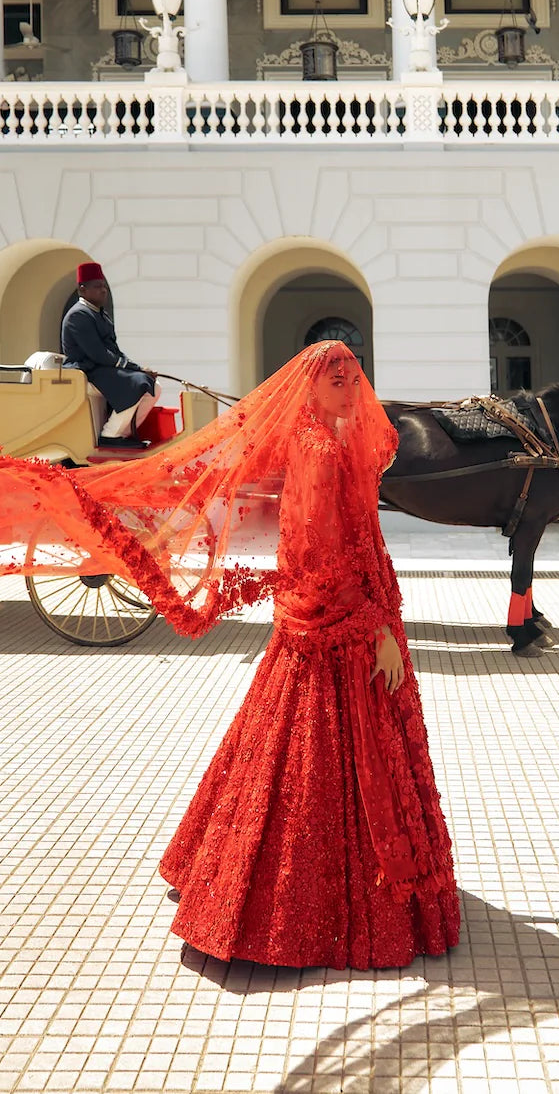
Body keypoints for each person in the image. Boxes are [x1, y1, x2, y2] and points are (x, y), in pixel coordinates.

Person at [129, 342, 461, 970]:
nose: (347, 386)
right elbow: (319, 557)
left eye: (354, 376)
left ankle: (239, 874)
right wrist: (373, 628)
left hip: (350, 613)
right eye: (334, 378)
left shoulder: (329, 442)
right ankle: (286, 910)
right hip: (337, 624)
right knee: (308, 757)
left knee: (284, 751)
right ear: (308, 390)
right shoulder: (318, 452)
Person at [61, 261, 159, 442]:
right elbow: (97, 353)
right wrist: (134, 369)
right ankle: (110, 434)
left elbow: (114, 351)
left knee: (154, 386)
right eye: (97, 287)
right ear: (82, 290)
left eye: (104, 286)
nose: (104, 290)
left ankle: (124, 433)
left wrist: (136, 367)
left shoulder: (100, 314)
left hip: (101, 368)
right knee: (138, 384)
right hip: (85, 369)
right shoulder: (78, 315)